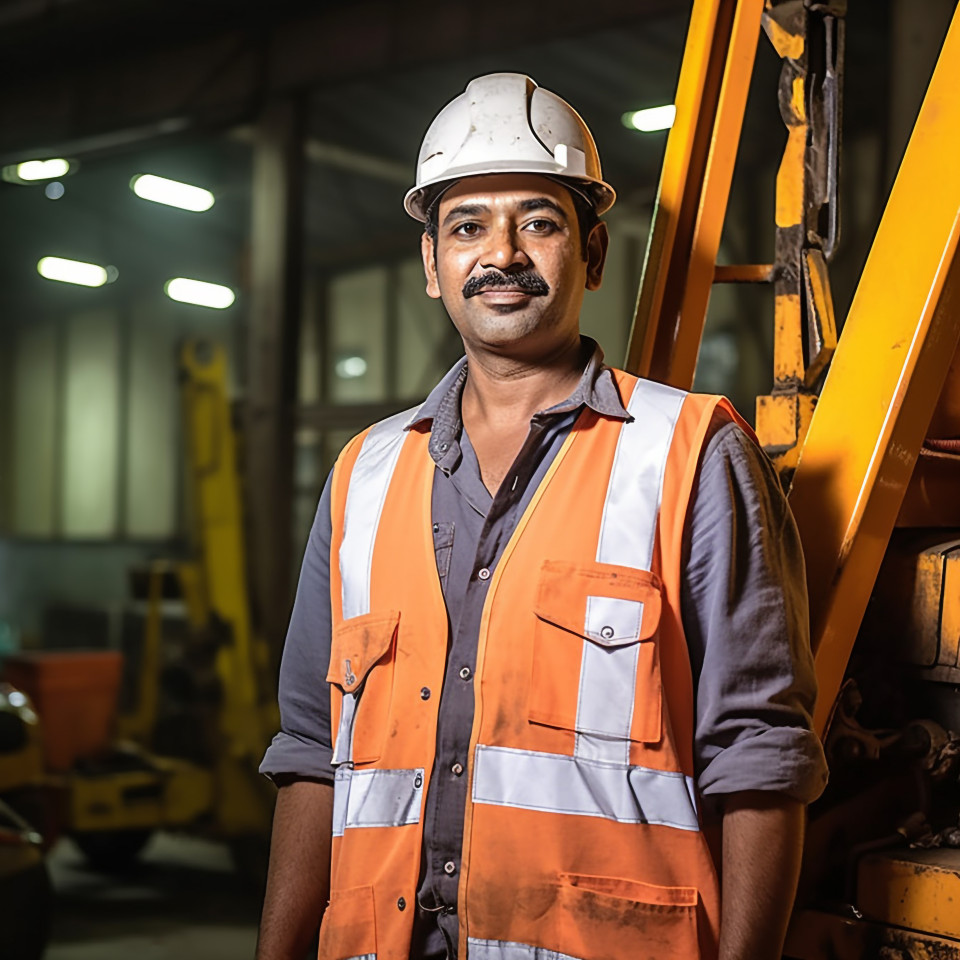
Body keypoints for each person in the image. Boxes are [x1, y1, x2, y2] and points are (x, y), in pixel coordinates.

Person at [256, 72, 828, 960]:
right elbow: (307, 754)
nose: (503, 253)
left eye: (539, 221)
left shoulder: (689, 455)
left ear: (593, 255)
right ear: (432, 266)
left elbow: (760, 758)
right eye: (467, 226)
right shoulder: (362, 476)